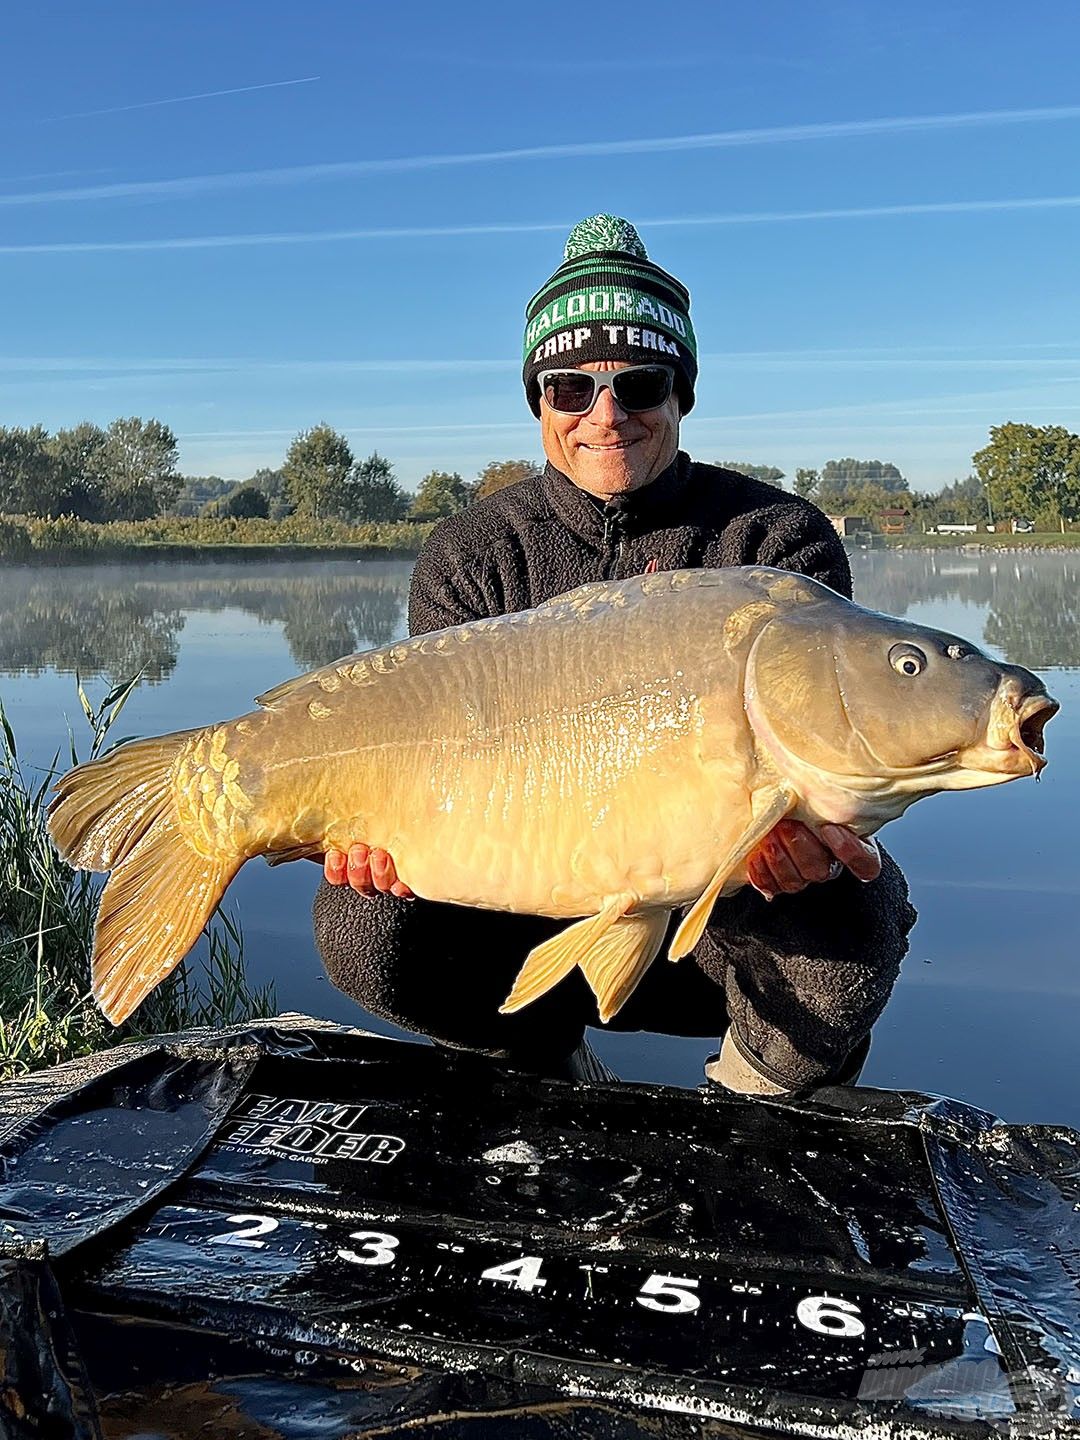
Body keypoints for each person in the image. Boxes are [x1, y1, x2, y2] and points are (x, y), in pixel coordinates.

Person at [313, 215, 916, 1095]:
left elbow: (840, 749)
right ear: (537, 401)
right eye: (570, 389)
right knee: (363, 921)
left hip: (724, 923)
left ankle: (753, 1106)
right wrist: (377, 835)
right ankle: (543, 1067)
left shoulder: (776, 538)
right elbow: (426, 758)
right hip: (528, 908)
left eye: (639, 384)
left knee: (855, 905)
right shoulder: (471, 552)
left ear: (680, 396)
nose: (607, 416)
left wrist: (806, 844)